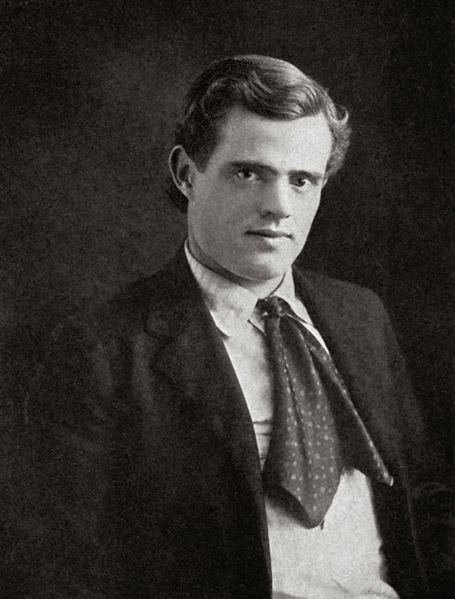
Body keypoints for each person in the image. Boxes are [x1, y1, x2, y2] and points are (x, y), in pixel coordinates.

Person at [23, 55, 453, 599]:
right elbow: (60, 569)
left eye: (302, 180)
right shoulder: (101, 351)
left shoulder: (361, 315)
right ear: (186, 174)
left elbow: (427, 503)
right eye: (249, 173)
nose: (278, 206)